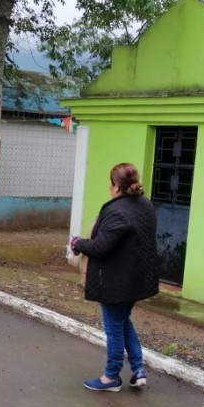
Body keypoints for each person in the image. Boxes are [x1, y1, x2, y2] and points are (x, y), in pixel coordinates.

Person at [70, 163, 159, 392]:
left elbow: (102, 247)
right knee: (122, 321)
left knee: (113, 328)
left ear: (116, 186)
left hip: (117, 281)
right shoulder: (145, 205)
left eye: (111, 183)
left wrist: (79, 243)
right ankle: (138, 370)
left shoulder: (117, 210)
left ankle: (111, 377)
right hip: (138, 278)